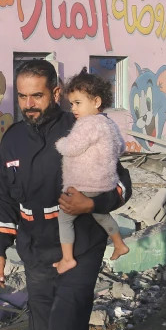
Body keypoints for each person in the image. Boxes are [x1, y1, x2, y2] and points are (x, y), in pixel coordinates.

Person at [0, 60, 131, 330]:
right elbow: (2, 198)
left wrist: (93, 203)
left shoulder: (84, 128)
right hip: (35, 246)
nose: (29, 103)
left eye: (37, 95)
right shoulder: (11, 139)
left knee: (64, 325)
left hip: (79, 242)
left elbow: (121, 186)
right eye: (22, 96)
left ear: (56, 92)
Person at [53, 71, 129, 274]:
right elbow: (121, 147)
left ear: (96, 101)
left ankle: (67, 258)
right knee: (101, 214)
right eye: (71, 104)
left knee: (64, 219)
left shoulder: (86, 123)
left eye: (78, 103)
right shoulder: (108, 122)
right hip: (104, 185)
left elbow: (72, 148)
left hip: (84, 185)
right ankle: (119, 244)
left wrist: (61, 143)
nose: (73, 109)